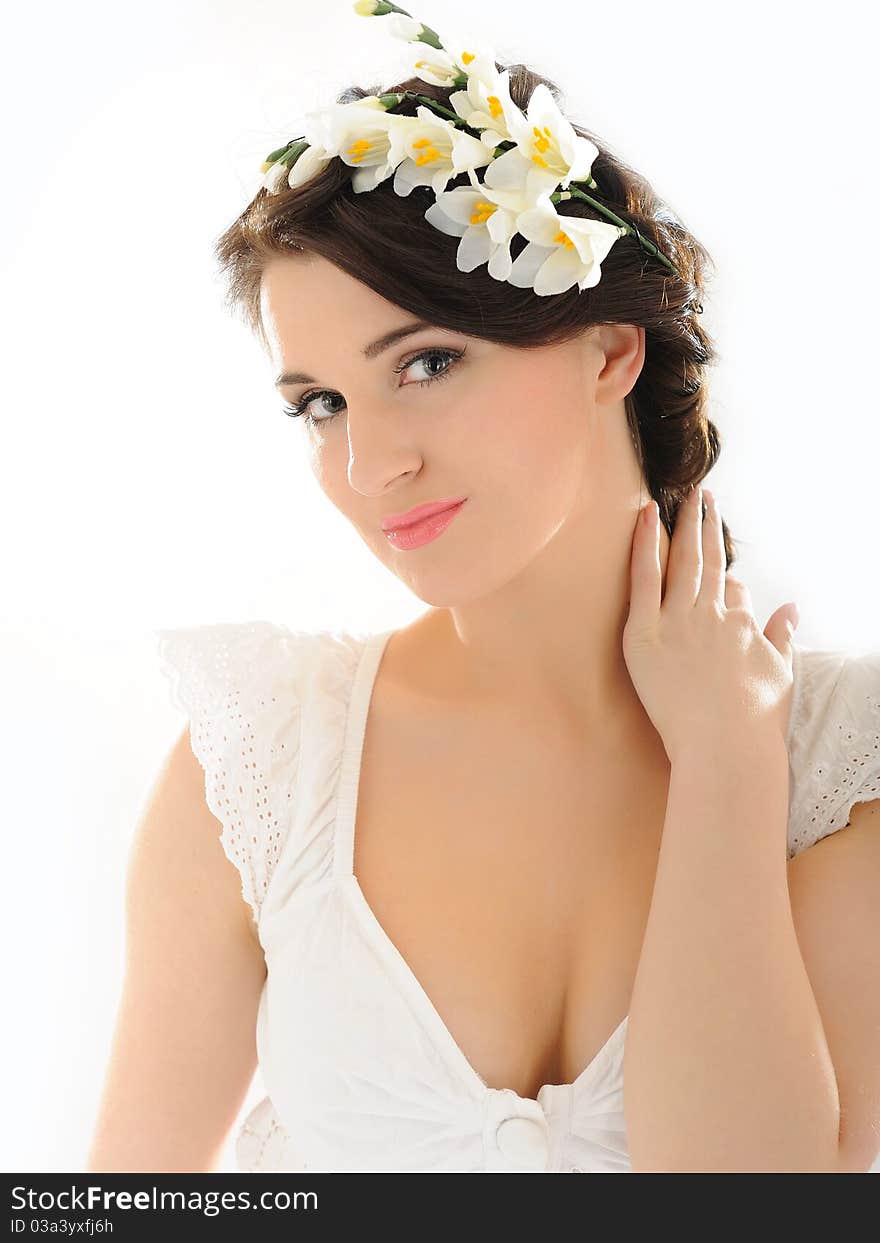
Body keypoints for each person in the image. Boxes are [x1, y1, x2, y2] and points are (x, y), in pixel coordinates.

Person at [86, 3, 880, 1174]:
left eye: (427, 362)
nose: (370, 465)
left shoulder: (831, 766)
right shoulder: (265, 760)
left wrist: (725, 766)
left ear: (611, 348)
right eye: (321, 404)